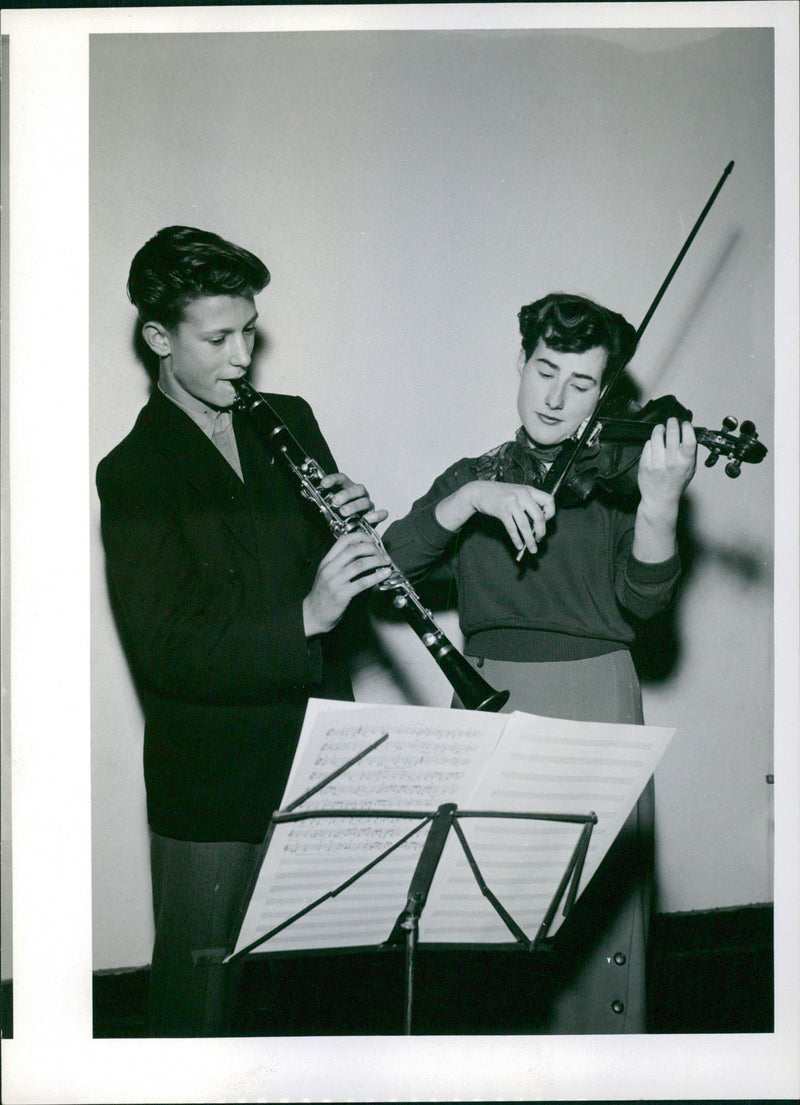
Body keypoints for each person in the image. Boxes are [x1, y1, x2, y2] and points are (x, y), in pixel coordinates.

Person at [96, 226, 392, 1036]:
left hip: (319, 753)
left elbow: (336, 594)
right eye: (218, 337)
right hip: (214, 785)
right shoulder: (135, 471)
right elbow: (166, 647)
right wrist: (306, 614)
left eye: (249, 332)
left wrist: (354, 542)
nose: (241, 357)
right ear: (160, 338)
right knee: (200, 1009)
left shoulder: (288, 420)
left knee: (321, 1000)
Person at [382, 292, 697, 1034]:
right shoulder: (476, 474)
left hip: (597, 700)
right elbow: (391, 567)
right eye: (544, 369)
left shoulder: (620, 482)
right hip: (491, 704)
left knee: (596, 941)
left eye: (581, 383)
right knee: (486, 928)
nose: (555, 397)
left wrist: (658, 506)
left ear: (604, 393)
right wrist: (468, 501)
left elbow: (647, 607)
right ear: (521, 364)